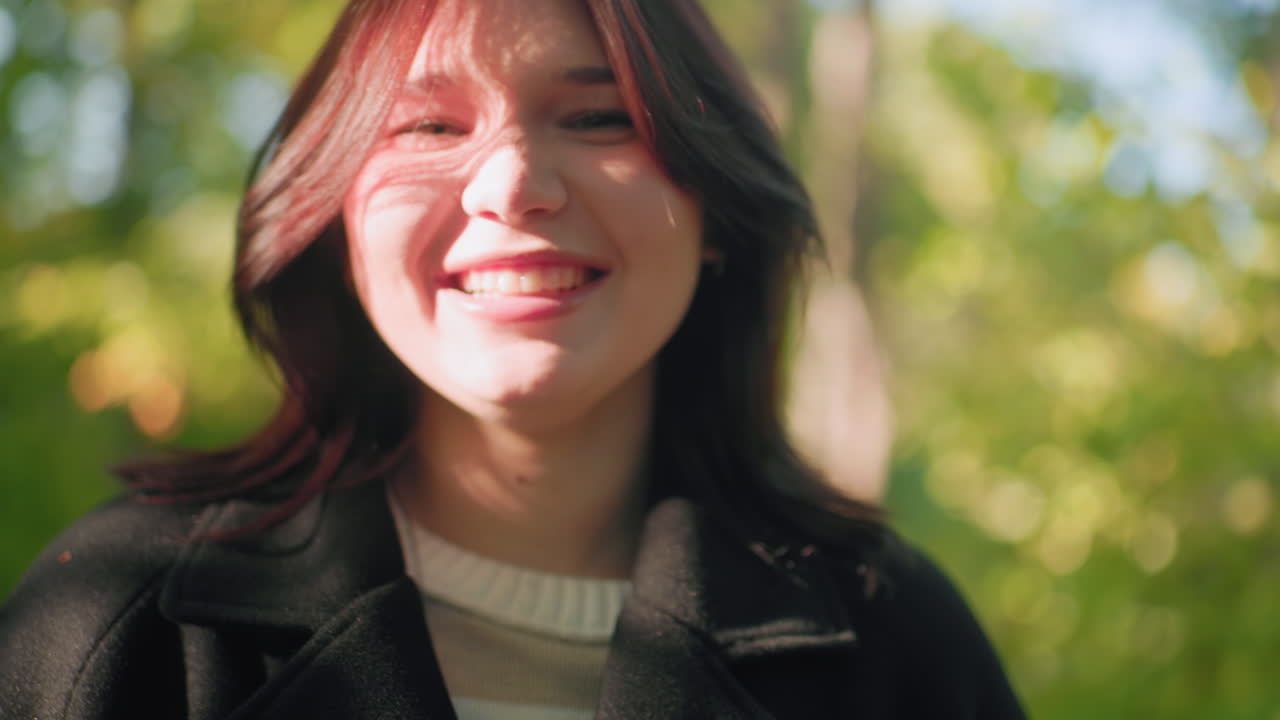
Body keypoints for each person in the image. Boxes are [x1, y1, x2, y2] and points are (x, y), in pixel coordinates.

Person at [0, 0, 1026, 717]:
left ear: (713, 209)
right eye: (428, 124)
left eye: (598, 117)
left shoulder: (901, 647)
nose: (513, 184)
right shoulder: (117, 623)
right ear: (337, 220)